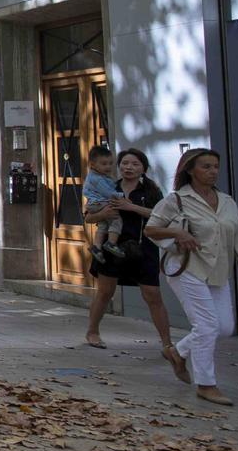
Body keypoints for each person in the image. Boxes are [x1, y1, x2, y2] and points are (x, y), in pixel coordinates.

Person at [143, 148, 238, 407]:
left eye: (215, 166)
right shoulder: (176, 200)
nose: (213, 171)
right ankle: (206, 384)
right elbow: (150, 229)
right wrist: (179, 234)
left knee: (224, 327)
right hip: (186, 268)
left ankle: (178, 352)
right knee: (206, 326)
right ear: (190, 170)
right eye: (206, 167)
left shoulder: (227, 201)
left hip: (218, 270)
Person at [80, 148, 187, 381]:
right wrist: (104, 212)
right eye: (125, 163)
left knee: (152, 295)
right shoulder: (108, 186)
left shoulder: (151, 190)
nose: (128, 167)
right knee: (105, 292)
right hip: (112, 248)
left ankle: (167, 344)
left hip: (142, 249)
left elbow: (163, 217)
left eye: (134, 164)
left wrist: (132, 208)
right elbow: (88, 216)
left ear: (143, 168)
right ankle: (93, 331)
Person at [82, 145, 125, 255]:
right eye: (104, 164)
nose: (108, 167)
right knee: (116, 219)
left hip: (95, 203)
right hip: (99, 203)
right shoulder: (97, 179)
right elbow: (108, 193)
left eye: (110, 163)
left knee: (103, 225)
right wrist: (123, 197)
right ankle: (111, 243)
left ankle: (97, 247)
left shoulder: (100, 176)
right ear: (92, 164)